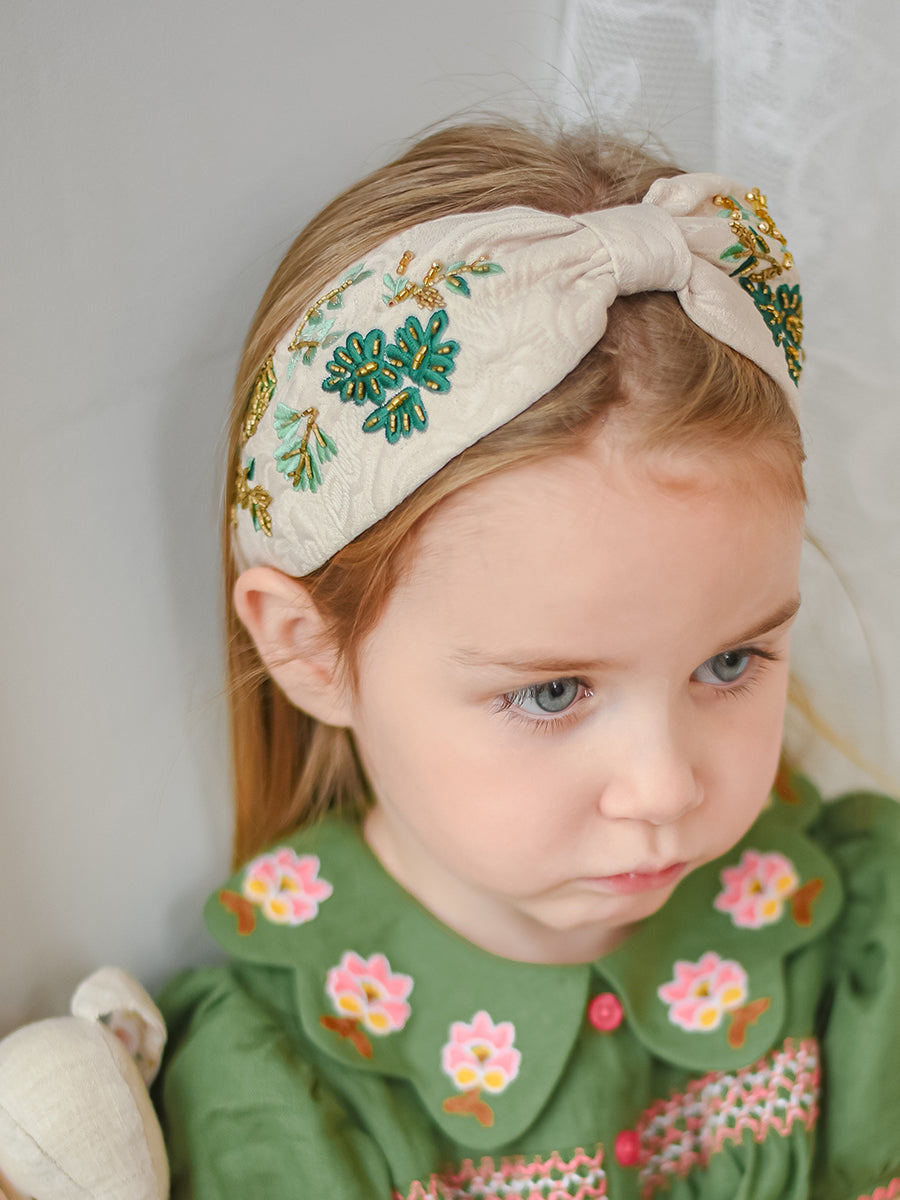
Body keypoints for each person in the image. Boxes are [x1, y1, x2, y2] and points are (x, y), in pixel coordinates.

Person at [156, 122, 900, 1199]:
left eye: (731, 663)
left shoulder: (864, 938)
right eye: (554, 692)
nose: (665, 790)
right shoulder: (276, 1090)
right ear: (312, 650)